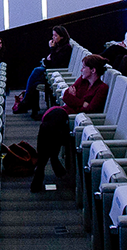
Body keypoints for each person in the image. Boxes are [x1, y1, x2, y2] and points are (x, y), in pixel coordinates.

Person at [32, 54, 109, 193]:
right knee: (49, 126)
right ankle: (51, 160)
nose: (81, 70)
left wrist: (75, 101)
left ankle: (41, 166)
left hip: (78, 122)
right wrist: (81, 103)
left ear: (93, 70)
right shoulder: (83, 81)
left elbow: (91, 110)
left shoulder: (102, 88)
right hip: (65, 117)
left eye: (84, 67)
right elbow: (66, 96)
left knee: (49, 124)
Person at [17, 25, 72, 116]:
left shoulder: (66, 48)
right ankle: (32, 108)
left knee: (37, 71)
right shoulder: (58, 46)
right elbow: (49, 60)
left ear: (62, 36)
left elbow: (55, 63)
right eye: (53, 36)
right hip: (51, 71)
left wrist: (52, 49)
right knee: (34, 83)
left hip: (57, 72)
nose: (53, 38)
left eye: (55, 36)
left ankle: (26, 101)